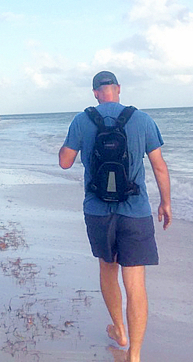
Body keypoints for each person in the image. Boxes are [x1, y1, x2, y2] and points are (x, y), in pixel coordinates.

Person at [58, 71, 171, 362]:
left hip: (98, 210)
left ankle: (119, 330)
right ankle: (134, 355)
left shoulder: (82, 120)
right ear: (118, 90)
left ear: (95, 93)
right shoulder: (142, 120)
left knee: (108, 268)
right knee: (135, 283)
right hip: (135, 210)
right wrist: (165, 203)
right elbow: (159, 166)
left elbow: (65, 162)